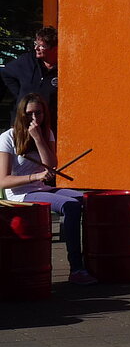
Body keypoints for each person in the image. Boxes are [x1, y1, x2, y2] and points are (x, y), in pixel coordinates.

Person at [0, 93, 94, 285]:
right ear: (21, 114)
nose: (35, 119)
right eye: (30, 114)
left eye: (39, 113)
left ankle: (93, 261)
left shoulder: (46, 132)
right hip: (20, 194)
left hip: (40, 187)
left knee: (90, 199)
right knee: (70, 205)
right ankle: (76, 267)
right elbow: (3, 181)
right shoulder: (7, 137)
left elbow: (51, 166)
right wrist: (36, 176)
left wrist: (39, 139)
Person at [2, 27, 59, 131]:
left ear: (54, 49)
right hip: (21, 122)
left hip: (47, 124)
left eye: (41, 46)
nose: (36, 48)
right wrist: (19, 93)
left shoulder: (63, 68)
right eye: (35, 44)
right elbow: (6, 73)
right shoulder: (27, 61)